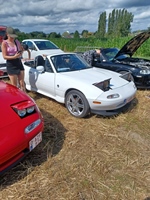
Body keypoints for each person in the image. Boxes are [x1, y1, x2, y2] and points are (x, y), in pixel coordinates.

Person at [1, 27, 26, 92]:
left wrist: (21, 51)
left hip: (18, 62)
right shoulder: (4, 43)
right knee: (14, 86)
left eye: (14, 36)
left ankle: (24, 97)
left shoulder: (17, 41)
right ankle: (17, 98)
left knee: (22, 84)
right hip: (11, 64)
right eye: (11, 36)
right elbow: (4, 56)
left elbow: (20, 50)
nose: (13, 38)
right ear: (7, 34)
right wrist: (14, 57)